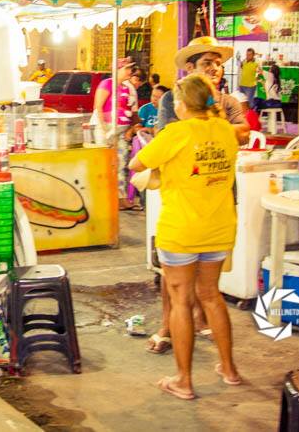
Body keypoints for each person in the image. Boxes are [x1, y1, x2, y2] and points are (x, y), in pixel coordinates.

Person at [129, 73, 241, 400]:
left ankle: (184, 380)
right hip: (219, 228)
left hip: (181, 230)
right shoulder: (225, 129)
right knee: (212, 296)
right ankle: (229, 369)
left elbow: (136, 163)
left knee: (181, 301)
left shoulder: (175, 132)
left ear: (181, 103)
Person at [147, 36, 249, 355]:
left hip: (219, 193)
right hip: (182, 194)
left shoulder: (228, 101)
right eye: (207, 63)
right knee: (174, 273)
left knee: (209, 276)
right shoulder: (172, 99)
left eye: (218, 64)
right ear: (190, 68)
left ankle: (202, 319)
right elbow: (165, 136)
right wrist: (214, 128)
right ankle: (167, 325)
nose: (215, 68)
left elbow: (244, 133)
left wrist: (210, 119)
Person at [93, 57, 137, 202]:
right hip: (106, 130)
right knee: (105, 164)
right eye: (127, 68)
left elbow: (129, 110)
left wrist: (129, 129)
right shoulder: (107, 84)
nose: (130, 71)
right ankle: (103, 197)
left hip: (121, 131)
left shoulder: (126, 88)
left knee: (121, 164)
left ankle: (120, 197)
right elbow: (98, 107)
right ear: (117, 70)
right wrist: (105, 130)